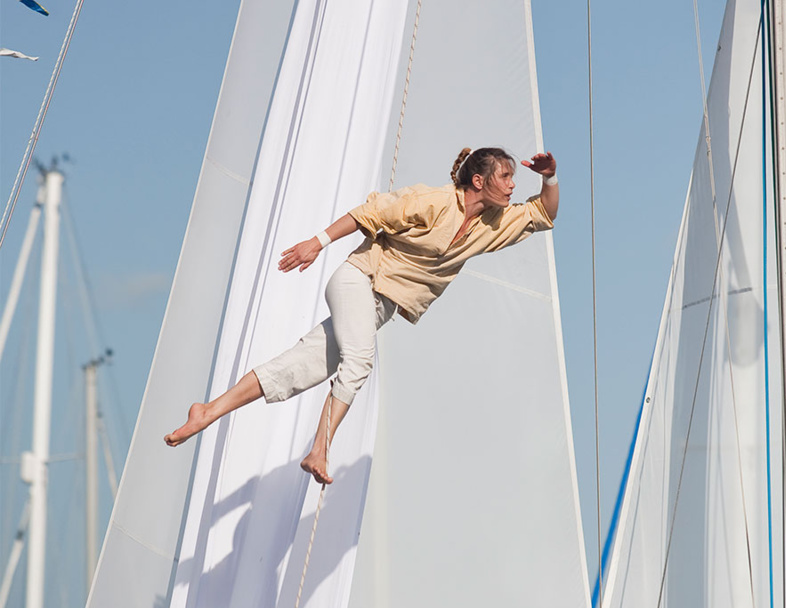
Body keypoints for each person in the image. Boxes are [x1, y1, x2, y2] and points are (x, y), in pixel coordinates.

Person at [164, 146, 559, 483]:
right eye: (506, 176)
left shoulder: (495, 223)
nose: (512, 184)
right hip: (357, 279)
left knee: (302, 366)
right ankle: (320, 449)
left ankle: (208, 411)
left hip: (379, 306)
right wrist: (317, 243)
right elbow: (368, 214)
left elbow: (544, 213)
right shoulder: (435, 201)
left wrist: (550, 178)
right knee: (359, 362)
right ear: (478, 181)